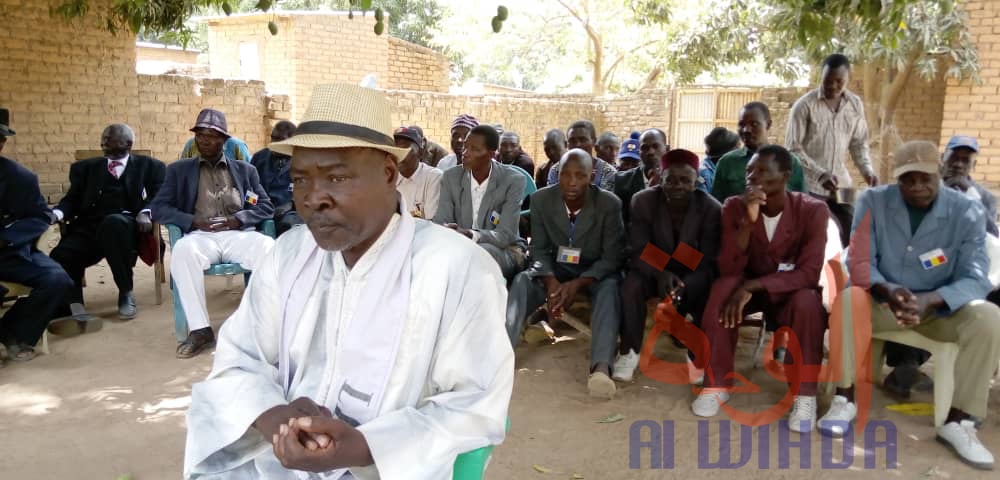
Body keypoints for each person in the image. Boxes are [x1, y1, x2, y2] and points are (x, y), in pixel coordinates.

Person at [184, 84, 513, 479]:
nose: (313, 198)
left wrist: (364, 446)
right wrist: (278, 419)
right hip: (278, 460)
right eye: (301, 180)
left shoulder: (458, 269)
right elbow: (238, 358)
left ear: (389, 174)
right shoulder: (287, 256)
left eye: (336, 178)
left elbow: (476, 406)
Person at [820, 141, 1000, 471]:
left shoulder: (968, 211)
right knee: (848, 299)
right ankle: (844, 399)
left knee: (989, 317)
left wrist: (933, 299)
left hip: (939, 310)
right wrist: (887, 289)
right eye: (907, 179)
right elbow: (858, 259)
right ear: (896, 178)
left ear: (940, 173)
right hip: (883, 303)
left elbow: (976, 276)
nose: (916, 186)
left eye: (925, 178)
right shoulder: (873, 201)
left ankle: (959, 421)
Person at [693, 145, 829, 433]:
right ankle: (717, 384)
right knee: (721, 292)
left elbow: (808, 273)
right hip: (745, 281)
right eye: (750, 171)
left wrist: (754, 286)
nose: (753, 177)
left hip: (788, 289)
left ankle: (804, 395)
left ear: (786, 176)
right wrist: (747, 222)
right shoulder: (733, 206)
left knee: (808, 304)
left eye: (763, 170)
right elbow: (728, 267)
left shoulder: (813, 210)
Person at [150, 108, 276, 359]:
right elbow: (158, 207)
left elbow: (265, 206)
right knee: (183, 252)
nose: (204, 140)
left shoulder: (244, 170)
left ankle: (261, 326)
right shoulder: (178, 170)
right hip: (200, 236)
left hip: (237, 234)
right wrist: (192, 221)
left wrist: (237, 219)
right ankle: (200, 330)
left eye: (212, 135)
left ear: (224, 140)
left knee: (268, 248)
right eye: (200, 135)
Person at [506, 149, 625, 399]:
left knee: (610, 288)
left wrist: (578, 283)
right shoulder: (541, 200)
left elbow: (613, 257)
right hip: (555, 268)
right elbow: (537, 249)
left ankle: (600, 368)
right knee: (522, 281)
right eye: (566, 175)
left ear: (592, 177)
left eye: (580, 176)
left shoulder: (608, 204)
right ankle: (500, 355)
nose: (572, 182)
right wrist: (551, 282)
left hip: (593, 270)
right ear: (557, 175)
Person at [616, 149, 721, 382]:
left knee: (706, 290)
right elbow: (638, 247)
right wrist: (662, 272)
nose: (678, 185)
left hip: (692, 274)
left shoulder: (710, 208)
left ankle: (697, 358)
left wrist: (680, 281)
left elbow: (708, 257)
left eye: (685, 180)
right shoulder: (643, 201)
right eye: (670, 179)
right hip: (651, 270)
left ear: (696, 182)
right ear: (660, 178)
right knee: (630, 286)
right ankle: (629, 352)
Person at [48, 123, 166, 327]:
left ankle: (126, 292)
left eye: (110, 139)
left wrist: (146, 213)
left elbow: (160, 197)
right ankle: (73, 305)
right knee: (62, 254)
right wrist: (57, 213)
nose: (104, 143)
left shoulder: (150, 167)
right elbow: (72, 199)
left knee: (113, 223)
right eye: (103, 139)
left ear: (128, 144)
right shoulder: (84, 169)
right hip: (90, 228)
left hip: (127, 228)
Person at [0, 108, 73, 361]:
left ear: (3, 142)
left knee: (57, 280)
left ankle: (14, 333)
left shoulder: (20, 178)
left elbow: (40, 216)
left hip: (11, 252)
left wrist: (7, 237)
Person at [433, 125, 526, 280]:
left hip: (505, 251)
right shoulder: (451, 177)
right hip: (460, 247)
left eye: (474, 149)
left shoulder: (512, 181)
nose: (465, 153)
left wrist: (470, 234)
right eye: (465, 147)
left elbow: (505, 235)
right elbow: (441, 220)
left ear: (491, 154)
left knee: (480, 253)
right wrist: (446, 229)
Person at [786, 53, 879, 201]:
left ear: (849, 77)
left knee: (854, 221)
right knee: (815, 223)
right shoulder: (804, 106)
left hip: (841, 185)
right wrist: (820, 174)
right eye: (827, 80)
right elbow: (793, 150)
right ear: (820, 77)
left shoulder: (855, 105)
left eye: (839, 81)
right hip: (809, 186)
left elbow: (859, 144)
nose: (832, 85)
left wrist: (867, 171)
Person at [712, 102, 808, 202]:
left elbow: (803, 203)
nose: (746, 130)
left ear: (768, 124)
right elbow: (716, 205)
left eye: (754, 124)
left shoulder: (790, 162)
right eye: (741, 124)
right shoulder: (727, 162)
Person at [250, 120, 304, 236]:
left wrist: (291, 204)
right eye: (273, 138)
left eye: (280, 140)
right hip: (261, 210)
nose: (274, 143)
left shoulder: (303, 161)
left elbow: (310, 192)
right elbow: (249, 190)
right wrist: (253, 204)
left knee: (291, 227)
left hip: (290, 212)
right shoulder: (259, 158)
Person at [613, 128, 668, 225]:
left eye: (655, 146)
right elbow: (620, 222)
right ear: (639, 152)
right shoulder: (622, 181)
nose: (650, 152)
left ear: (667, 149)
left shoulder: (677, 181)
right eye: (645, 148)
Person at [546, 120, 618, 190]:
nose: (578, 144)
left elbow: (606, 201)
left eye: (583, 140)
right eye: (572, 141)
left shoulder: (608, 172)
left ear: (594, 141)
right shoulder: (556, 170)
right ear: (567, 144)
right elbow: (552, 200)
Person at [394, 125, 443, 219]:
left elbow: (430, 221)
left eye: (405, 149)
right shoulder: (390, 179)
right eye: (396, 150)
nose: (400, 155)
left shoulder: (433, 177)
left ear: (420, 153)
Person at [180, 110, 252, 162]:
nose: (205, 142)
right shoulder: (191, 144)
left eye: (211, 136)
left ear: (223, 138)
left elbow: (248, 174)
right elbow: (182, 170)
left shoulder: (237, 146)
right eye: (200, 135)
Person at [698, 127, 740, 194]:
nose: (740, 152)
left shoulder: (728, 170)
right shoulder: (703, 174)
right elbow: (702, 202)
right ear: (727, 152)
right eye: (737, 148)